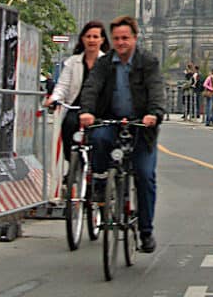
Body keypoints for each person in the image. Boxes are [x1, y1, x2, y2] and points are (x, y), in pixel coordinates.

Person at [79, 15, 165, 254]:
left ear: (135, 39)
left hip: (141, 126)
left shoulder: (148, 61)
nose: (121, 42)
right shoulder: (105, 63)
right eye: (116, 38)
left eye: (125, 38)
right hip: (112, 120)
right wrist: (86, 111)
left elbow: (156, 89)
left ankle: (146, 232)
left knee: (145, 176)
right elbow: (91, 88)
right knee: (97, 138)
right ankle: (99, 181)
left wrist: (154, 114)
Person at [45, 20, 109, 160]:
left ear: (102, 40)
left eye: (95, 36)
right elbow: (62, 85)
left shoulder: (108, 62)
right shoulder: (72, 62)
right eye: (88, 36)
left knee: (101, 136)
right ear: (82, 39)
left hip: (100, 108)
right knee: (68, 126)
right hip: (75, 106)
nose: (92, 40)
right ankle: (73, 164)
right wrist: (54, 98)